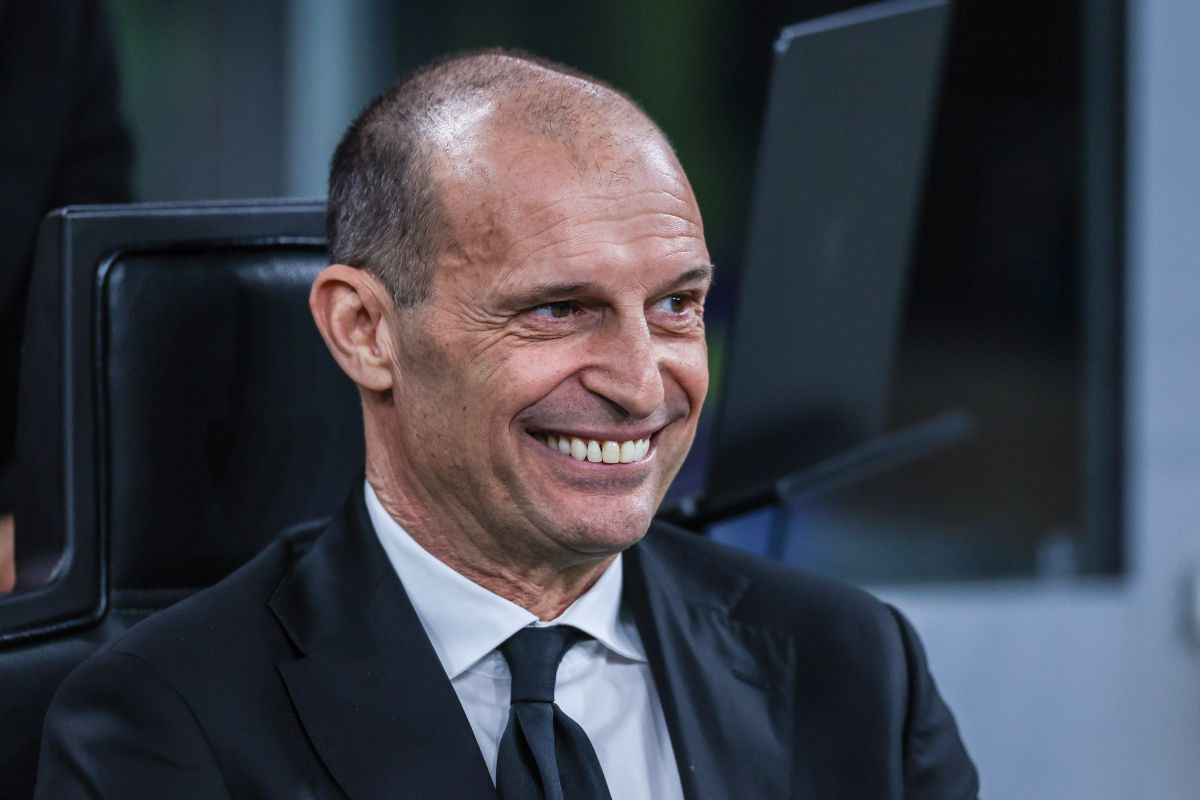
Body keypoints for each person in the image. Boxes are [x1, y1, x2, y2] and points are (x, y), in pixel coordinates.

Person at [34, 50, 979, 798]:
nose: (640, 386)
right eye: (559, 310)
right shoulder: (167, 725)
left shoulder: (857, 671)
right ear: (365, 331)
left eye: (676, 306)